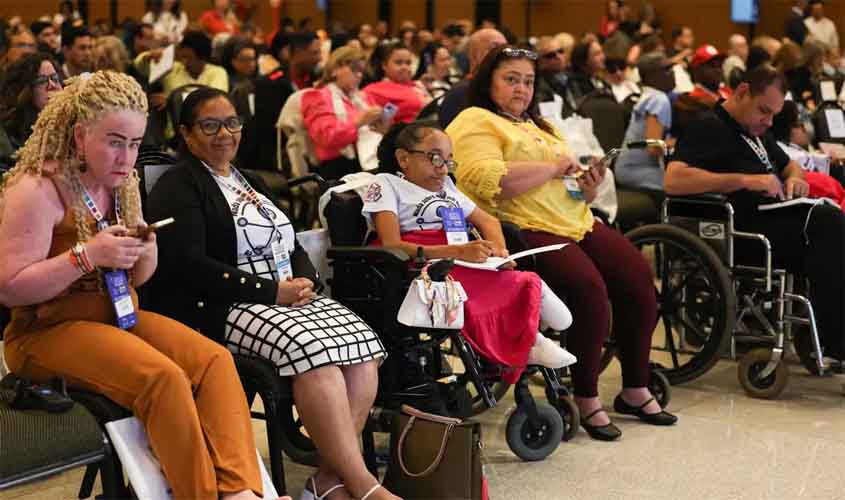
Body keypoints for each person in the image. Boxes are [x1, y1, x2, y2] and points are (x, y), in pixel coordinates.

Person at [0, 70, 282, 500]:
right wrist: (87, 255)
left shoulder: (122, 183)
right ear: (79, 137)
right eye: (114, 141)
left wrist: (144, 254)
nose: (126, 158)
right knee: (163, 378)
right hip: (44, 334)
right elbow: (10, 288)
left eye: (134, 144)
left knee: (215, 362)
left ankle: (241, 491)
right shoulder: (37, 188)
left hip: (118, 318)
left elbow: (135, 279)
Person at [143, 87, 397, 500]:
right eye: (210, 125)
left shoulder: (250, 179)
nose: (224, 133)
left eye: (232, 123)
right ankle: (363, 483)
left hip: (281, 294)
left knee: (363, 350)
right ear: (188, 134)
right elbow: (187, 265)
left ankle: (329, 477)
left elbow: (289, 240)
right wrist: (270, 291)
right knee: (319, 360)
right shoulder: (178, 185)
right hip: (223, 304)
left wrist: (303, 279)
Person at [447, 45, 678, 441]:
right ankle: (586, 396)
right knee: (590, 289)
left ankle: (635, 387)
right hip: (520, 226)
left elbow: (567, 188)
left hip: (574, 220)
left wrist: (585, 188)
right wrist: (554, 167)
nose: (522, 89)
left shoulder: (540, 126)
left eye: (528, 81)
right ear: (489, 82)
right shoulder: (475, 121)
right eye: (511, 79)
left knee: (639, 278)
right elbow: (489, 180)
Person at [364, 122, 577, 380]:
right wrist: (457, 251)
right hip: (417, 262)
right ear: (403, 158)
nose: (442, 168)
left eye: (448, 161)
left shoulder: (447, 188)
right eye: (434, 158)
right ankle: (531, 342)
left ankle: (531, 337)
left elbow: (489, 221)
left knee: (503, 275)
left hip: (459, 255)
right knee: (492, 285)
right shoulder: (384, 184)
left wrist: (500, 252)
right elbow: (391, 244)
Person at [665, 63, 845, 365]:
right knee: (830, 227)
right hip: (741, 231)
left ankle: (822, 333)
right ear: (742, 92)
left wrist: (795, 178)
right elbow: (673, 180)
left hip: (772, 220)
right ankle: (833, 339)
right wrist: (744, 180)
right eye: (764, 110)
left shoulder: (755, 130)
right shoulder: (708, 126)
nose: (769, 120)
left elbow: (790, 165)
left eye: (773, 114)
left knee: (832, 228)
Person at [301, 46, 386, 180]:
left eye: (361, 71)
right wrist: (359, 122)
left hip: (370, 157)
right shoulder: (316, 96)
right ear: (335, 70)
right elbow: (326, 139)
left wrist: (382, 124)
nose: (359, 75)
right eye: (354, 70)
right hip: (337, 167)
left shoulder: (363, 98)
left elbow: (378, 132)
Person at [615, 52, 675, 193]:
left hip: (631, 169)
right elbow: (653, 147)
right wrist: (682, 142)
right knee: (685, 184)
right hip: (635, 170)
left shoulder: (651, 95)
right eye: (666, 69)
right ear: (652, 76)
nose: (673, 73)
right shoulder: (659, 99)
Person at [0, 53, 62, 167]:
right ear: (24, 89)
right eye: (42, 81)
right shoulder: (6, 138)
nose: (52, 85)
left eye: (55, 78)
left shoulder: (71, 126)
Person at [438, 28, 507, 128]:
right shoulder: (461, 93)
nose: (502, 54)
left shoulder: (508, 91)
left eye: (505, 48)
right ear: (474, 55)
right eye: (494, 48)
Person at [362, 42, 431, 124]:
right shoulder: (375, 90)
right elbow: (383, 122)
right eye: (399, 63)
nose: (405, 67)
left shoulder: (417, 85)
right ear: (384, 65)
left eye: (408, 63)